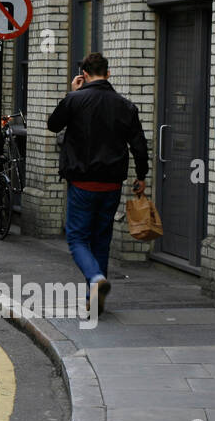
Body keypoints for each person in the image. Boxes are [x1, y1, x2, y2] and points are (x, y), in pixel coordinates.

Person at [47, 51, 150, 315]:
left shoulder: (75, 100)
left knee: (77, 239)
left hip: (82, 183)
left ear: (83, 74)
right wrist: (141, 175)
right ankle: (94, 301)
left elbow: (52, 125)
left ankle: (94, 278)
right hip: (112, 184)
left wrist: (71, 93)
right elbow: (139, 145)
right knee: (101, 239)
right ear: (108, 73)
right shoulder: (125, 105)